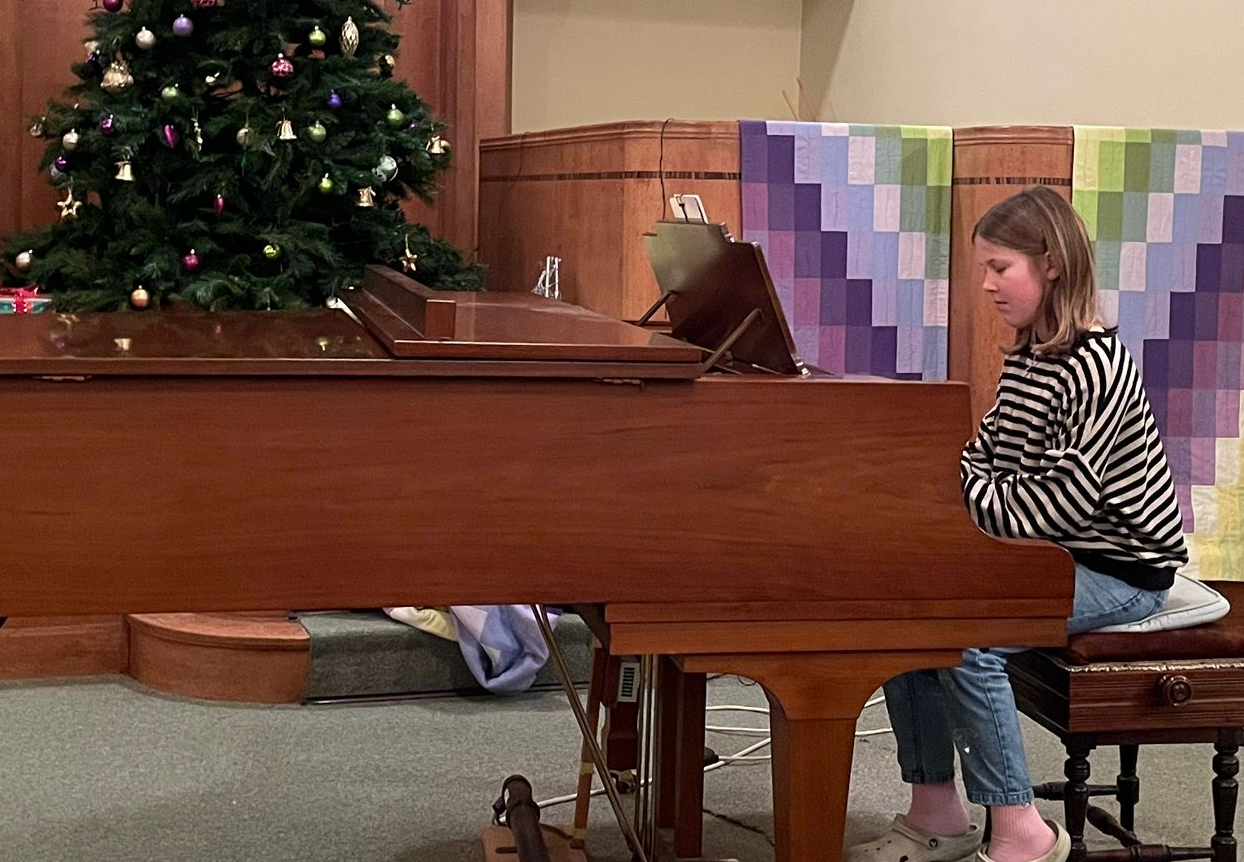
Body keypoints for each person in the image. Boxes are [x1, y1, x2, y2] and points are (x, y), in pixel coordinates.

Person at [847, 186, 1188, 862]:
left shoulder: (1096, 367)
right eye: (985, 268)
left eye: (999, 267)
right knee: (907, 614)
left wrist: (968, 496)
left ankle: (1020, 827)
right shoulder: (1029, 358)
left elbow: (1060, 504)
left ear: (1051, 264)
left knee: (970, 637)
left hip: (1120, 567)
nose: (986, 284)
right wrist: (959, 487)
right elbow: (982, 456)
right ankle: (936, 809)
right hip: (1055, 552)